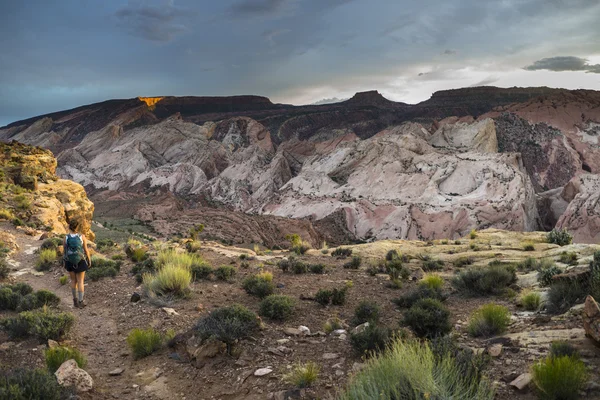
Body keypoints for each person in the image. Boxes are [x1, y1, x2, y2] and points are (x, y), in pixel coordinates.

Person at [63, 219, 92, 308]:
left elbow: (64, 251)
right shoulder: (81, 237)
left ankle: (75, 301)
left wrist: (64, 261)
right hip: (80, 260)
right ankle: (81, 302)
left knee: (73, 281)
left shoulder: (66, 237)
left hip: (69, 261)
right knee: (80, 281)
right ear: (77, 227)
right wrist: (89, 260)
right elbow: (86, 250)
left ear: (69, 227)